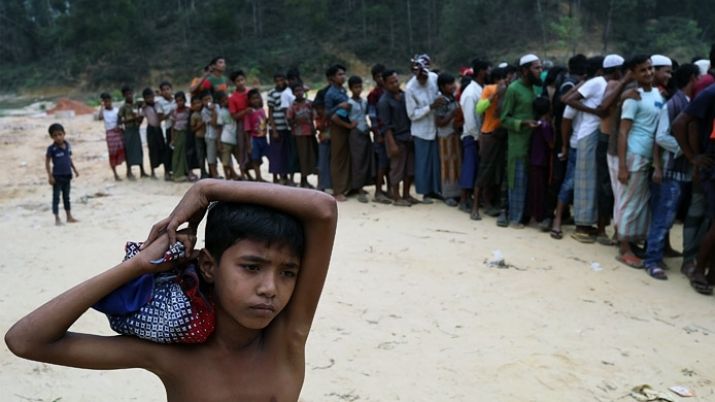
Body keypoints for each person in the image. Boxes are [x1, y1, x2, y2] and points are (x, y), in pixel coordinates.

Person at [5, 180, 338, 402]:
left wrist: (207, 189)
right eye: (251, 267)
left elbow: (323, 210)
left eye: (287, 273)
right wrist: (137, 266)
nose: (270, 288)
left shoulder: (286, 338)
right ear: (208, 266)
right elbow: (26, 341)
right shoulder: (173, 355)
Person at [643, 64, 701, 280]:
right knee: (663, 217)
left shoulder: (684, 102)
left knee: (666, 217)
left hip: (679, 170)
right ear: (692, 78)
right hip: (671, 170)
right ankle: (652, 261)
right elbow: (661, 137)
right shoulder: (674, 104)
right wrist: (686, 150)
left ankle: (655, 256)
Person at [563, 55, 626, 243]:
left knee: (593, 181)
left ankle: (590, 223)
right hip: (588, 133)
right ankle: (582, 226)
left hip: (596, 133)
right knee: (585, 181)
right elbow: (569, 99)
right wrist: (594, 112)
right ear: (617, 70)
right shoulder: (598, 82)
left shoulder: (607, 84)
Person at [616, 55, 664, 268]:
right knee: (629, 202)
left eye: (650, 68)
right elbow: (623, 132)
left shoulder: (657, 93)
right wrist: (622, 166)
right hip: (634, 154)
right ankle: (624, 248)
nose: (648, 72)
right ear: (633, 74)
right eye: (642, 70)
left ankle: (632, 242)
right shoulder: (632, 98)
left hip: (648, 155)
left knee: (640, 203)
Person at [672, 79, 715, 294]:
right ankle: (698, 269)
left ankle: (711, 272)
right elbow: (680, 123)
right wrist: (693, 157)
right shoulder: (711, 93)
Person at [500, 54, 542, 228]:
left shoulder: (536, 88)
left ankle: (528, 216)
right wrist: (523, 123)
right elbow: (504, 119)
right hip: (518, 143)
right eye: (536, 68)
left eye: (540, 67)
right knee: (517, 180)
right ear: (525, 70)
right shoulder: (513, 89)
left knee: (531, 181)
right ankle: (515, 218)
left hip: (535, 142)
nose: (540, 71)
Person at [406, 54, 444, 204]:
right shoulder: (410, 88)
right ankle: (425, 192)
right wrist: (430, 107)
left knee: (435, 162)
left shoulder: (434, 78)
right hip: (421, 131)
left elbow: (439, 93)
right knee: (423, 163)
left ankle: (436, 190)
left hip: (435, 127)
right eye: (420, 76)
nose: (423, 78)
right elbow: (412, 114)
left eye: (425, 75)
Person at [471, 65, 506, 219]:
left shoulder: (508, 91)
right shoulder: (489, 89)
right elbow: (479, 108)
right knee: (485, 171)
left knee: (495, 173)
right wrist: (494, 95)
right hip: (490, 134)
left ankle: (489, 204)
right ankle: (475, 207)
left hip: (500, 135)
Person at [378, 70, 415, 206]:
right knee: (397, 168)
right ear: (385, 84)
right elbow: (386, 126)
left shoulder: (404, 96)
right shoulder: (384, 101)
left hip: (409, 136)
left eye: (396, 81)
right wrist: (392, 144)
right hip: (396, 138)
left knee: (409, 168)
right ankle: (396, 196)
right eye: (391, 83)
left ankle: (407, 194)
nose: (395, 84)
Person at [459, 60, 488, 215]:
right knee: (469, 168)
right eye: (488, 70)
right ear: (481, 71)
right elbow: (470, 119)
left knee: (476, 169)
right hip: (472, 135)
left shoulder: (482, 89)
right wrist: (477, 137)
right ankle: (463, 200)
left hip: (480, 134)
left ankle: (470, 198)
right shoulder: (471, 93)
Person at [324, 64, 351, 201]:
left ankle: (346, 186)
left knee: (346, 157)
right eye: (339, 74)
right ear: (332, 78)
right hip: (337, 127)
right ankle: (337, 190)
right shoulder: (330, 93)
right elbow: (327, 113)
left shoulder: (342, 90)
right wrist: (339, 106)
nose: (343, 77)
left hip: (346, 126)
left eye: (343, 74)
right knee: (337, 158)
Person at [434, 72, 462, 206]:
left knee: (456, 165)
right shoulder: (441, 101)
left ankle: (458, 192)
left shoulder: (452, 98)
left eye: (453, 83)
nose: (453, 86)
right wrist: (452, 114)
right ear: (442, 86)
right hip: (445, 136)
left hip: (454, 135)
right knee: (447, 166)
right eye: (449, 84)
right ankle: (448, 194)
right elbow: (439, 122)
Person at [527, 97, 555, 225]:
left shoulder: (537, 123)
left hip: (535, 159)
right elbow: (551, 144)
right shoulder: (545, 125)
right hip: (541, 160)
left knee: (535, 188)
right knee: (540, 189)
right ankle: (538, 215)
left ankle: (534, 214)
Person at [367, 64, 392, 204]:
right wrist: (377, 133)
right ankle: (378, 191)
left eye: (383, 76)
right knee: (381, 163)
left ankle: (389, 188)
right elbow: (372, 116)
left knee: (389, 162)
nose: (381, 79)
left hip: (390, 132)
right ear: (374, 78)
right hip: (380, 133)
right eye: (378, 77)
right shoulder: (374, 94)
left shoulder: (390, 92)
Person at [45, 123, 79, 226]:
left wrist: (75, 169)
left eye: (60, 134)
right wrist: (50, 176)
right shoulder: (51, 149)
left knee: (66, 197)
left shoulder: (67, 145)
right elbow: (47, 162)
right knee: (56, 197)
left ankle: (69, 216)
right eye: (55, 135)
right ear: (51, 137)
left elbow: (69, 159)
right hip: (57, 176)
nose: (58, 137)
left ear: (64, 134)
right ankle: (57, 217)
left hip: (67, 175)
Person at [347, 75, 374, 203]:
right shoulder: (349, 103)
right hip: (356, 133)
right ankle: (358, 188)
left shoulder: (364, 102)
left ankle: (362, 185)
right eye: (355, 87)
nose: (358, 89)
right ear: (351, 88)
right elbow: (337, 116)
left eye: (360, 87)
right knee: (357, 161)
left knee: (365, 159)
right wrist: (348, 125)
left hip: (365, 132)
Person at [286, 84, 318, 188]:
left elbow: (314, 117)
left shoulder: (309, 104)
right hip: (298, 135)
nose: (299, 93)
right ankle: (299, 180)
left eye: (300, 90)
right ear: (293, 93)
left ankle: (305, 179)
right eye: (296, 91)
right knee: (300, 157)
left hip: (309, 133)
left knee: (308, 157)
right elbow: (289, 120)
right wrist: (297, 121)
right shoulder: (292, 106)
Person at [267, 72, 292, 185]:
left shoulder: (289, 91)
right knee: (276, 153)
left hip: (286, 127)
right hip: (276, 127)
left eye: (282, 80)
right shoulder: (272, 93)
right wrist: (274, 130)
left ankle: (285, 176)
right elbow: (270, 112)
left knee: (285, 153)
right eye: (277, 81)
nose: (280, 83)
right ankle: (275, 177)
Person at [117, 86, 147, 180]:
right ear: (124, 95)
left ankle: (142, 170)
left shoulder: (136, 104)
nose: (129, 96)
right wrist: (132, 119)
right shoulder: (123, 107)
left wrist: (140, 116)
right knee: (129, 151)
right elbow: (119, 121)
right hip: (128, 130)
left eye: (130, 94)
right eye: (127, 94)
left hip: (136, 129)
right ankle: (129, 172)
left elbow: (145, 104)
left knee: (139, 150)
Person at [228, 70, 253, 180]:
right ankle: (243, 173)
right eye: (238, 81)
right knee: (242, 148)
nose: (240, 83)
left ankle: (254, 173)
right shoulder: (233, 98)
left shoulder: (250, 93)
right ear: (234, 83)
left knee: (252, 148)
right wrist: (245, 112)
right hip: (241, 124)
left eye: (242, 80)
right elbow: (233, 116)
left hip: (252, 123)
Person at [97, 93, 125, 181]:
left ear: (111, 101)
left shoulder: (116, 110)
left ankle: (128, 171)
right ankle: (115, 174)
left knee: (123, 150)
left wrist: (120, 127)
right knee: (112, 153)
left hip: (118, 132)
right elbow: (100, 117)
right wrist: (101, 106)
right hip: (110, 134)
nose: (107, 103)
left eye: (108, 101)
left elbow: (120, 120)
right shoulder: (103, 112)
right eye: (105, 102)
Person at [140, 88, 166, 179]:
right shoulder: (145, 108)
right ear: (144, 99)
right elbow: (141, 118)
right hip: (150, 129)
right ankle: (153, 172)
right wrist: (140, 108)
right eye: (147, 98)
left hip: (158, 129)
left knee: (162, 148)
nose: (150, 99)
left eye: (151, 97)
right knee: (152, 150)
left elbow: (161, 117)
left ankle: (166, 171)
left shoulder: (158, 104)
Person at [313, 73, 333, 192]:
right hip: (325, 133)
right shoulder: (324, 93)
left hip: (331, 132)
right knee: (324, 159)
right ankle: (323, 185)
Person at [245, 89, 269, 182]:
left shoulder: (262, 110)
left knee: (267, 156)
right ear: (249, 100)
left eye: (257, 98)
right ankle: (258, 177)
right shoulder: (249, 112)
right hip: (254, 139)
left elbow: (264, 121)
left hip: (263, 138)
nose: (255, 100)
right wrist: (248, 144)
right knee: (255, 159)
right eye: (253, 99)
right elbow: (247, 129)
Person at [215, 92, 239, 181]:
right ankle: (227, 177)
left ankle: (233, 175)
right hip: (225, 139)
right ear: (220, 103)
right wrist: (219, 142)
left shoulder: (233, 109)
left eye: (226, 99)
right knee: (225, 161)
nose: (226, 101)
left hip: (233, 137)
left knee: (235, 158)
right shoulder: (221, 112)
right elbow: (219, 128)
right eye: (223, 101)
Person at [156, 81, 177, 180]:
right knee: (168, 150)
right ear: (161, 92)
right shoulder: (160, 103)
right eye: (163, 90)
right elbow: (160, 118)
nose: (166, 91)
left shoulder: (176, 100)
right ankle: (167, 171)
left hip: (179, 128)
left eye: (167, 89)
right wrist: (170, 114)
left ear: (171, 89)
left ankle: (178, 170)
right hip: (169, 128)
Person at [169, 91, 191, 182]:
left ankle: (184, 172)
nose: (179, 103)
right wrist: (172, 138)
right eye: (177, 101)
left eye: (181, 100)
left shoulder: (188, 110)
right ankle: (176, 173)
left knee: (184, 153)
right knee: (177, 153)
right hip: (177, 133)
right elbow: (172, 126)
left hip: (186, 133)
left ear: (184, 100)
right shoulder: (174, 112)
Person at [200, 91, 220, 179]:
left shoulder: (218, 106)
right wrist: (213, 111)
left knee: (220, 156)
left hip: (220, 135)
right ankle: (214, 175)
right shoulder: (203, 112)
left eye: (209, 99)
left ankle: (218, 173)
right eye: (205, 100)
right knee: (211, 156)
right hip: (210, 136)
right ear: (202, 102)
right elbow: (214, 124)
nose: (208, 101)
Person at [189, 96, 208, 179]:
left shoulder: (205, 112)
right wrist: (201, 125)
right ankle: (203, 172)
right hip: (199, 137)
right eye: (195, 104)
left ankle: (211, 172)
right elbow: (192, 129)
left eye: (199, 103)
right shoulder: (194, 115)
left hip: (207, 136)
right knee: (201, 156)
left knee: (208, 155)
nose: (197, 105)